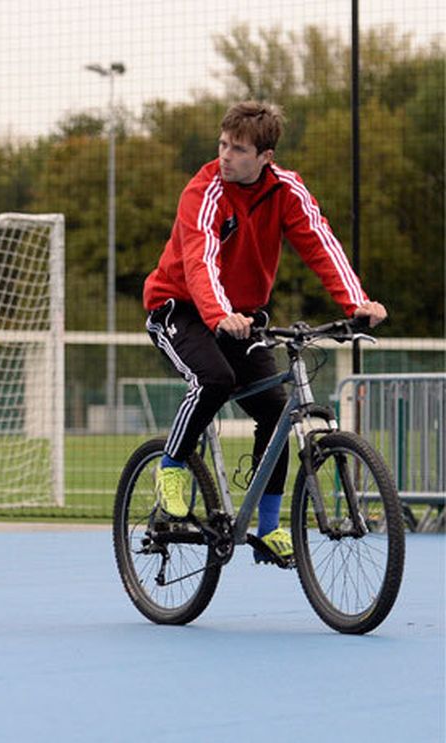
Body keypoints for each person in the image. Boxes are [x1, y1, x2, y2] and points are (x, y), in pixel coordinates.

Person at [142, 100, 386, 562]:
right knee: (214, 380)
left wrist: (355, 302)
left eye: (238, 149)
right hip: (180, 308)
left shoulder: (286, 190)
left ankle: (269, 529)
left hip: (242, 316)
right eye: (222, 144)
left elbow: (321, 244)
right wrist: (219, 314)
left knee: (275, 411)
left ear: (265, 157)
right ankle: (171, 466)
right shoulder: (204, 190)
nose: (225, 155)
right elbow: (200, 259)